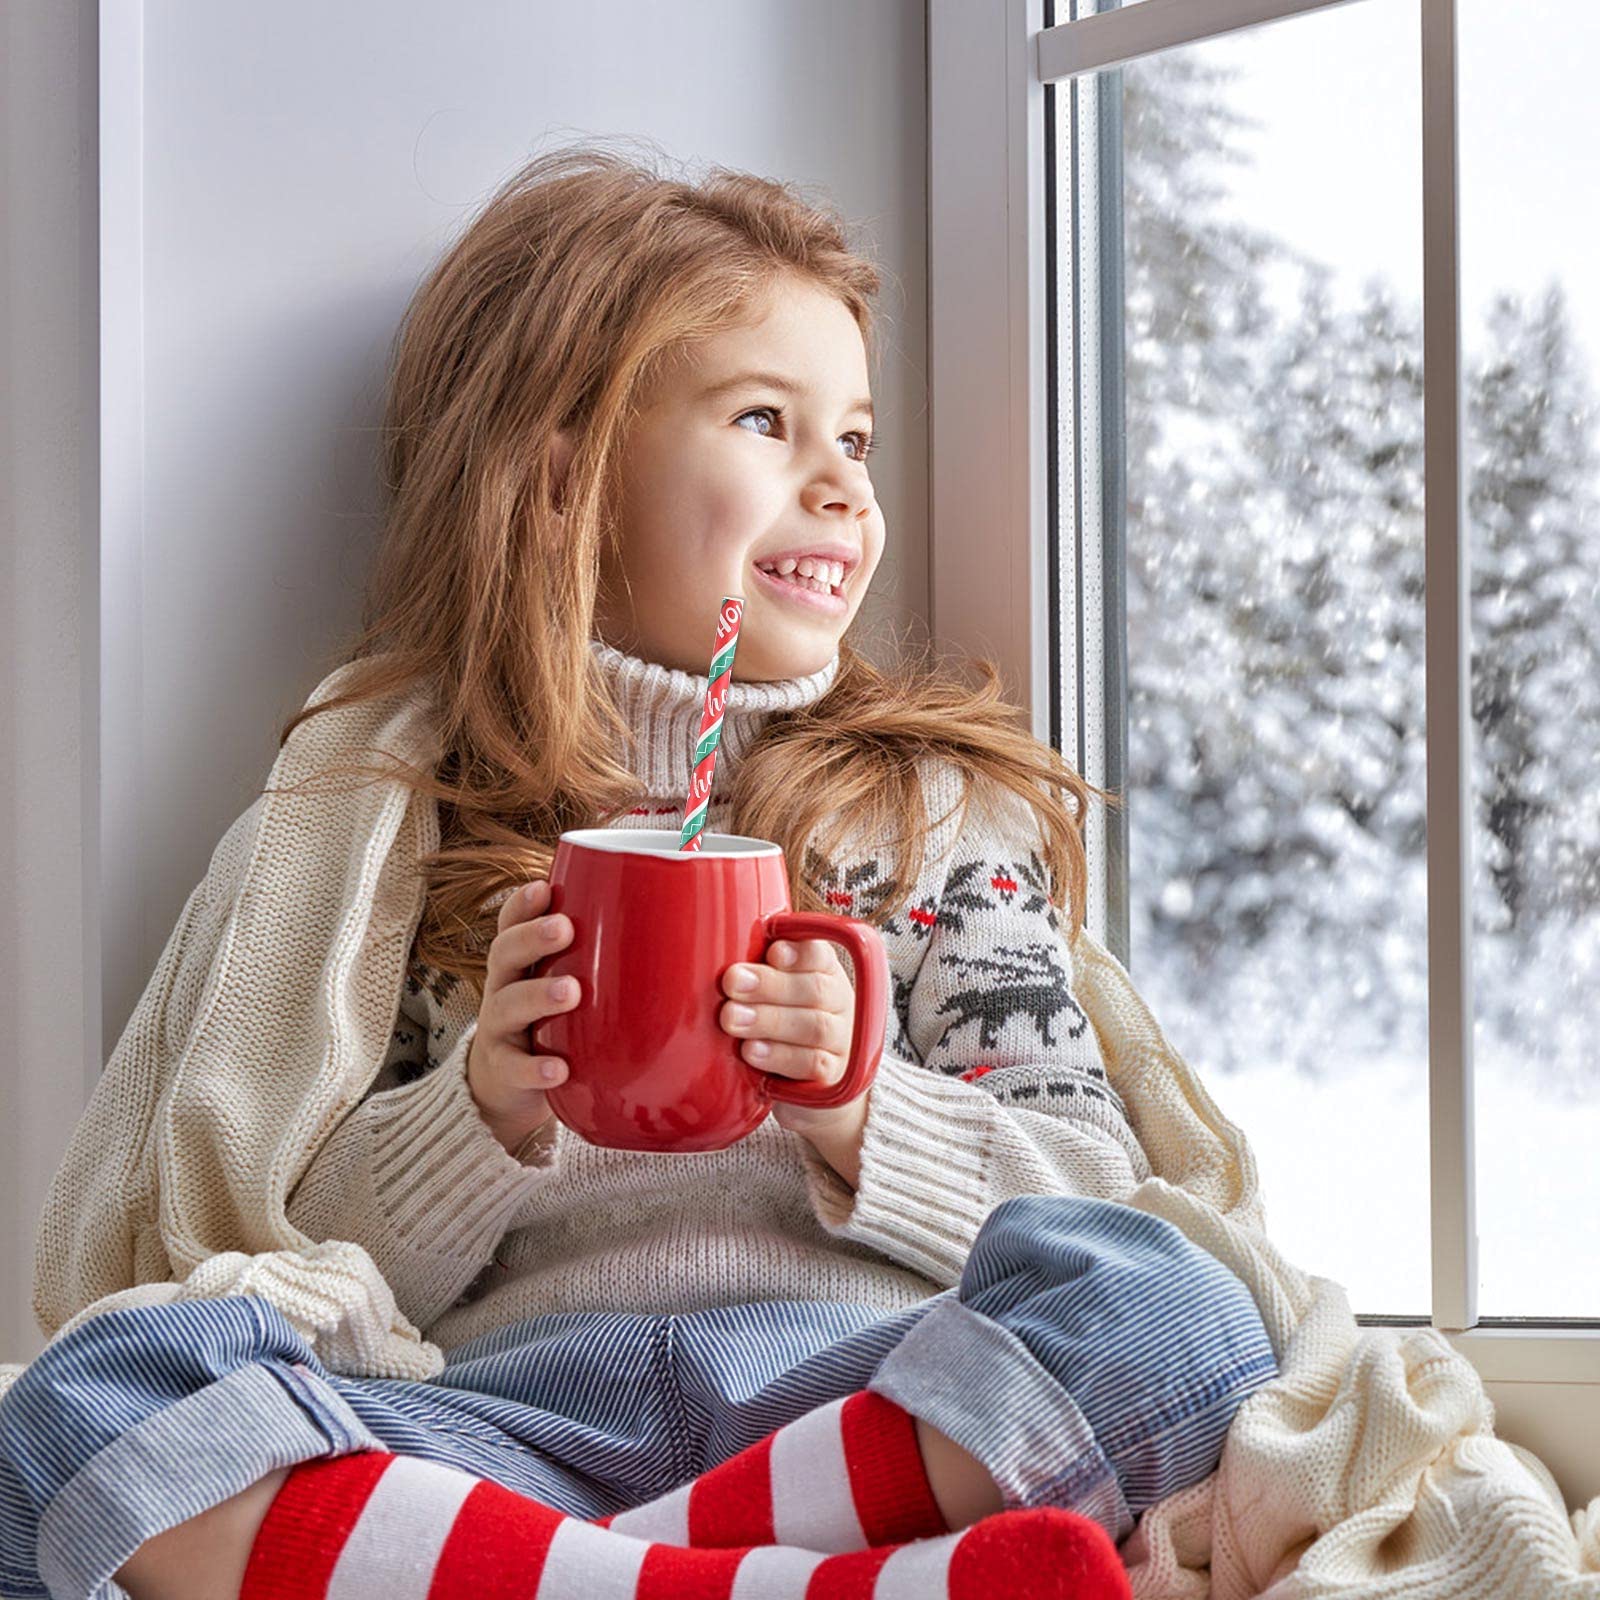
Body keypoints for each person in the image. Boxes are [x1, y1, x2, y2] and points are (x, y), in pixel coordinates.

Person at [0, 141, 1278, 1600]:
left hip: (861, 1397)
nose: (843, 488)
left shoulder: (930, 817)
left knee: (1176, 1321)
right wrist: (477, 1114)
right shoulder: (411, 830)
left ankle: (596, 1580)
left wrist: (869, 1113)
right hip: (505, 1424)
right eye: (765, 421)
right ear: (565, 479)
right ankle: (724, 1577)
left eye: (855, 440)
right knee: (87, 1414)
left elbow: (1094, 1195)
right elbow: (296, 1258)